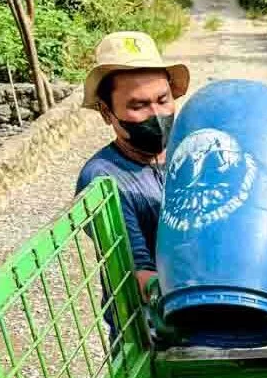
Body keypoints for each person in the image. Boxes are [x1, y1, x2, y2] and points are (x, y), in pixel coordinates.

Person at [76, 31, 190, 343]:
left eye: (162, 100)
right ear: (106, 112)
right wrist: (165, 295)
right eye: (138, 105)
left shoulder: (192, 151)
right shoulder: (103, 179)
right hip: (150, 336)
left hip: (208, 316)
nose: (156, 115)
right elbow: (136, 269)